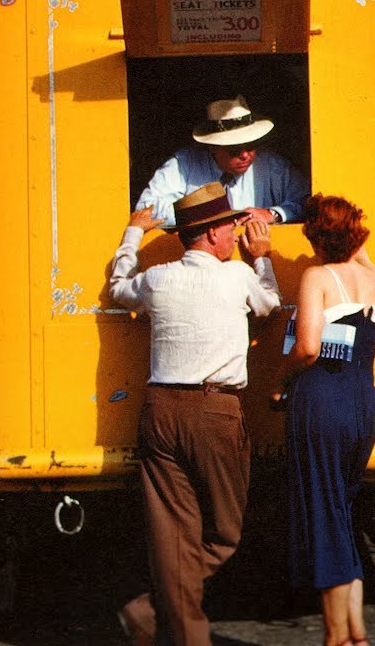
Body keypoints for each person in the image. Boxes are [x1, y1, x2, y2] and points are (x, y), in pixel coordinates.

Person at [110, 182, 281, 646]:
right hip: (215, 410)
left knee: (171, 532)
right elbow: (269, 304)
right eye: (231, 225)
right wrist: (262, 256)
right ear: (209, 234)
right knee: (224, 533)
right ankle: (148, 610)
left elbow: (118, 287)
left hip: (160, 408)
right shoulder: (238, 276)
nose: (237, 232)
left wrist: (132, 235)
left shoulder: (159, 278)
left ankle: (156, 620)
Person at [270, 194, 375, 646]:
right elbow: (362, 250)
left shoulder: (316, 276)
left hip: (321, 399)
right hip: (362, 401)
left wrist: (278, 382)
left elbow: (308, 348)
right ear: (354, 236)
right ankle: (356, 634)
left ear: (315, 236)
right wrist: (352, 233)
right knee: (342, 512)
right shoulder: (372, 278)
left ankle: (335, 638)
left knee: (323, 514)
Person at [136, 94, 309, 225]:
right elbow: (145, 209)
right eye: (235, 150)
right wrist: (206, 214)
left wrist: (273, 214)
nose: (245, 155)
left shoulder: (270, 164)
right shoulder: (184, 164)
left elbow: (306, 200)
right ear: (213, 147)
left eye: (251, 146)